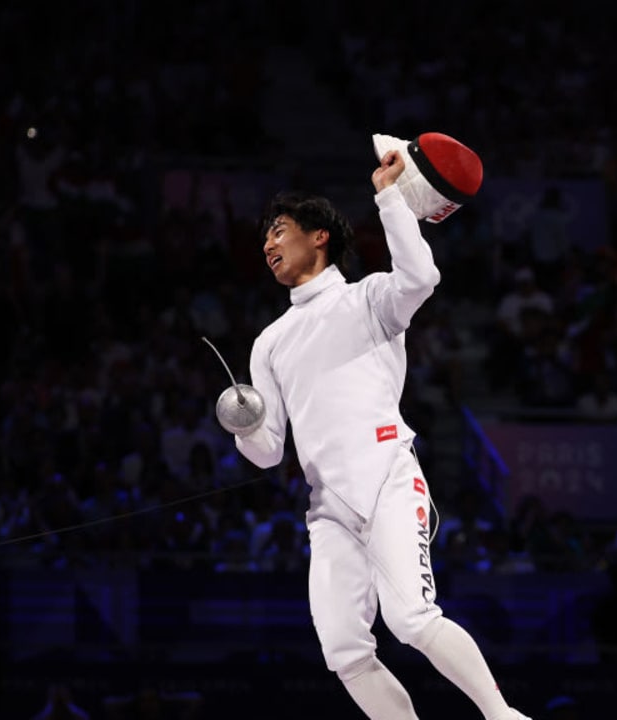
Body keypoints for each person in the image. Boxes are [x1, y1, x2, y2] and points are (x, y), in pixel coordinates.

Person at [229, 150, 529, 720]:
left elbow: (422, 276)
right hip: (330, 508)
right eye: (265, 235)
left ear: (319, 237)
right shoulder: (268, 342)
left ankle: (502, 715)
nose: (268, 244)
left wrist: (389, 196)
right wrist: (243, 425)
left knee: (412, 618)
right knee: (344, 650)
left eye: (279, 230)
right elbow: (268, 453)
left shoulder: (367, 299)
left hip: (387, 478)